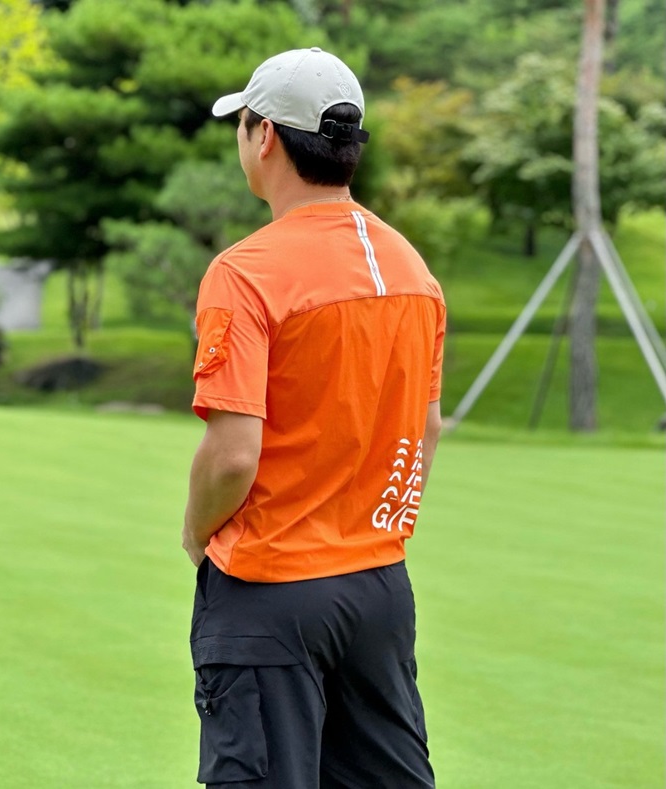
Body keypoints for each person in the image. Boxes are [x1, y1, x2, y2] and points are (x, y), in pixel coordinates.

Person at [182, 47, 446, 789]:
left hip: (270, 587)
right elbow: (426, 428)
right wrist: (377, 525)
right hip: (379, 585)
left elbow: (233, 454)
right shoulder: (410, 266)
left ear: (264, 135)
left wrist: (197, 532)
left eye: (243, 123)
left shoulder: (246, 271)